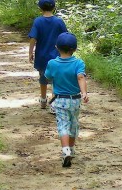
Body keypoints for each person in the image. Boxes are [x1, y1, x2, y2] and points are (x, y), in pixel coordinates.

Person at [45, 32, 89, 168]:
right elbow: (80, 77)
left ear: (56, 47)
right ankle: (72, 149)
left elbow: (47, 77)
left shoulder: (52, 63)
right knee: (73, 124)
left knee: (63, 125)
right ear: (75, 49)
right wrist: (84, 93)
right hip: (75, 100)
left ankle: (65, 151)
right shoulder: (78, 63)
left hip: (59, 101)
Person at [28, 0, 68, 110]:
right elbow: (65, 37)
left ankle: (43, 100)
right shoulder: (59, 22)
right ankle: (54, 103)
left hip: (42, 55)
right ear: (54, 7)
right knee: (56, 79)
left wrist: (30, 52)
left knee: (43, 77)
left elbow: (33, 39)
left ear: (40, 8)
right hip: (57, 56)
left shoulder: (38, 21)